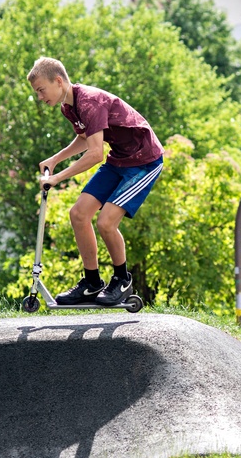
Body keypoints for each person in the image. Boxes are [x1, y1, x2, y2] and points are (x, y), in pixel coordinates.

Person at [27, 57, 164, 306]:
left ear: (58, 81)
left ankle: (121, 280)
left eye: (40, 90)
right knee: (78, 214)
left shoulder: (89, 101)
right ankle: (91, 283)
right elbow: (84, 138)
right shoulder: (69, 106)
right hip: (120, 160)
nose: (39, 96)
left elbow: (95, 153)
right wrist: (55, 160)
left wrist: (57, 177)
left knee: (106, 222)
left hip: (144, 162)